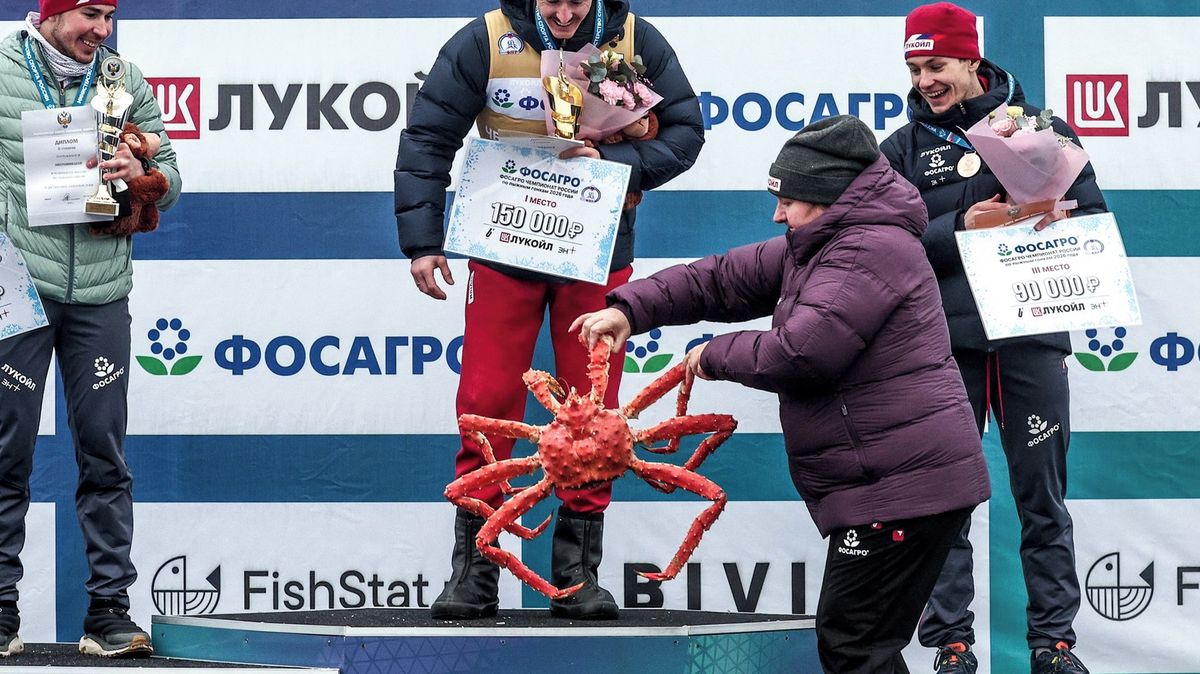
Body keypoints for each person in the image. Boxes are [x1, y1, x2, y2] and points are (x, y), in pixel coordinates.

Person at [573, 115, 990, 673]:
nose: (777, 214)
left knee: (854, 645)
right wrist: (629, 309)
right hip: (890, 485)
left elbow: (802, 353)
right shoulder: (819, 243)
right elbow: (718, 279)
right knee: (860, 645)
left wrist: (713, 354)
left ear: (827, 196)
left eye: (788, 200)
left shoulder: (869, 249)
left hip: (902, 487)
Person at [394, 0, 702, 621]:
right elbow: (428, 136)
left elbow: (685, 133)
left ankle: (576, 575)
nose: (562, 13)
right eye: (550, 0)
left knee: (595, 410)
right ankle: (475, 570)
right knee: (485, 401)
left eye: (575, 0)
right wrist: (422, 240)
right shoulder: (485, 37)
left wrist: (614, 162)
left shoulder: (635, 37)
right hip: (504, 241)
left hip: (596, 245)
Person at [879, 3, 1106, 673]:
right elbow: (885, 247)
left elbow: (1091, 217)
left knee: (1043, 501)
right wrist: (963, 226)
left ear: (971, 61)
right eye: (914, 69)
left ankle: (1054, 645)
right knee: (944, 503)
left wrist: (1051, 215)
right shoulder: (901, 150)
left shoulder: (1036, 129)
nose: (925, 81)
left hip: (1030, 341)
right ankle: (951, 648)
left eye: (937, 66)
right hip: (944, 347)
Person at [0, 0, 181, 658]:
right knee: (6, 452)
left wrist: (145, 176)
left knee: (105, 455)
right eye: (88, 14)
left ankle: (108, 613)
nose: (101, 30)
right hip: (17, 288)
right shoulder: (3, 69)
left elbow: (174, 177)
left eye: (109, 16)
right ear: (51, 12)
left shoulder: (122, 77)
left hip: (100, 293)